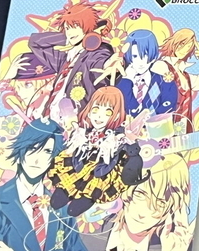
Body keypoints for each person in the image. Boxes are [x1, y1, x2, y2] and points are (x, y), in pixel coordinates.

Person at [0, 120, 95, 251]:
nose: (37, 159)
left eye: (47, 151)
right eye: (32, 148)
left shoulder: (62, 210)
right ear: (20, 150)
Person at [7, 0, 116, 124]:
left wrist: (109, 64)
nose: (70, 32)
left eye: (76, 26)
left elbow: (102, 62)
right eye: (68, 28)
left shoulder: (98, 52)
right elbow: (35, 42)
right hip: (50, 121)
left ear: (88, 27)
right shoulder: (64, 58)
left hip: (76, 123)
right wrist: (70, 39)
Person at [47, 86, 143, 217]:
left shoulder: (118, 136)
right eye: (96, 109)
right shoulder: (86, 130)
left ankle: (88, 197)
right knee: (58, 198)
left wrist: (129, 144)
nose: (99, 116)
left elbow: (130, 148)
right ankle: (65, 190)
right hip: (80, 163)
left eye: (107, 112)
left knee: (82, 200)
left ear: (116, 115)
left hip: (101, 169)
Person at [104, 154, 193, 251]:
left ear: (172, 209)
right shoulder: (88, 235)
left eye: (160, 203)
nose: (144, 212)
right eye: (140, 194)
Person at [117, 29, 180, 118]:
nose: (140, 62)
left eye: (145, 55)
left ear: (153, 56)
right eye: (135, 56)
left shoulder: (165, 84)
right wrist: (127, 81)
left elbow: (164, 115)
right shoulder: (120, 83)